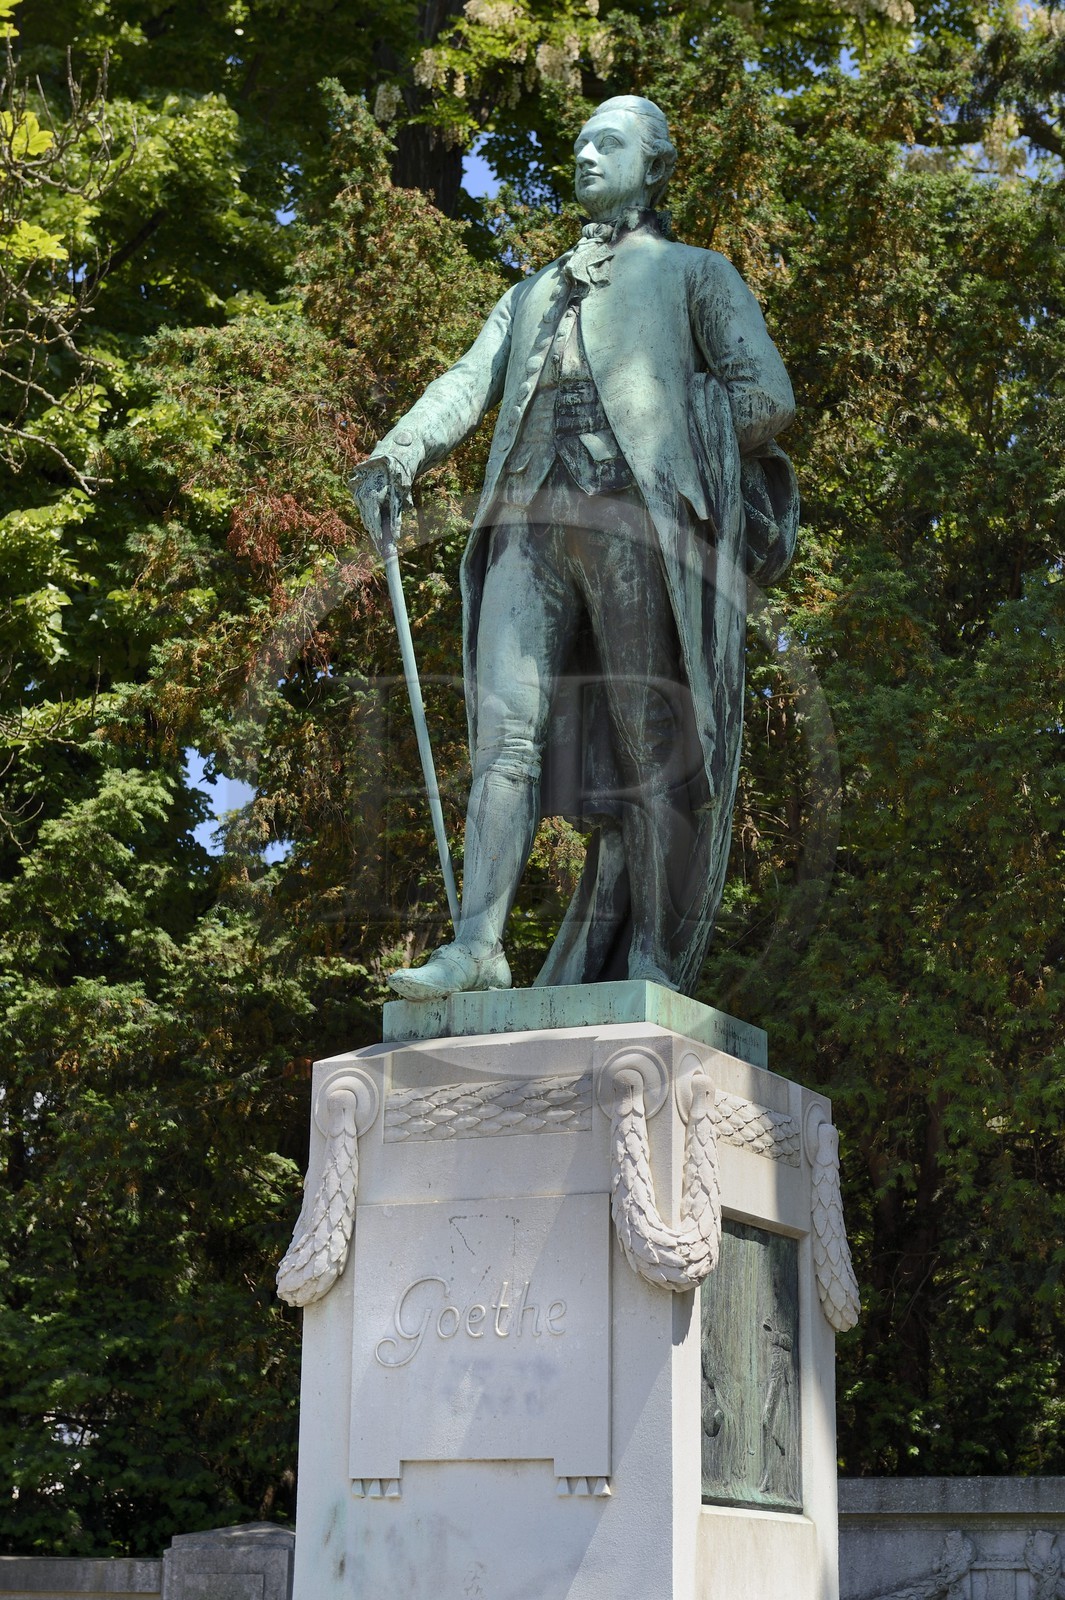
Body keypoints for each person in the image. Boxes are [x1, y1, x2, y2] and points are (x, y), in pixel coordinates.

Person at [353, 94, 798, 1001]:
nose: (587, 155)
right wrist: (398, 451)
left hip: (633, 522)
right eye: (581, 142)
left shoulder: (695, 273)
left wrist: (678, 448)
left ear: (655, 166)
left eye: (609, 142)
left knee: (649, 738)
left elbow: (765, 396)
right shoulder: (529, 293)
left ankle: (652, 958)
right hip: (526, 525)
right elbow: (467, 381)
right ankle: (477, 946)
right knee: (503, 738)